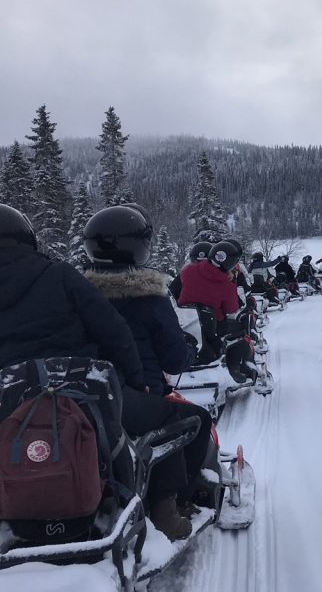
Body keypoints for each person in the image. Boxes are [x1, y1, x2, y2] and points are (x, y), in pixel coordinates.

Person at [0, 203, 193, 540]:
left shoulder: (63, 273)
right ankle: (165, 513)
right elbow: (113, 332)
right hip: (80, 390)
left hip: (8, 400)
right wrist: (135, 383)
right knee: (166, 417)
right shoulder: (57, 274)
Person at [82, 204, 212, 533]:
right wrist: (188, 350)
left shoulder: (78, 294)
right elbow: (173, 359)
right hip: (140, 393)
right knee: (195, 419)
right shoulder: (151, 297)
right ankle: (173, 503)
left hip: (87, 395)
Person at [177, 241, 257, 382]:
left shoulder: (188, 271)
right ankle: (237, 367)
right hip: (212, 326)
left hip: (186, 321)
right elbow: (231, 309)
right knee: (240, 330)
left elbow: (175, 289)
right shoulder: (226, 283)